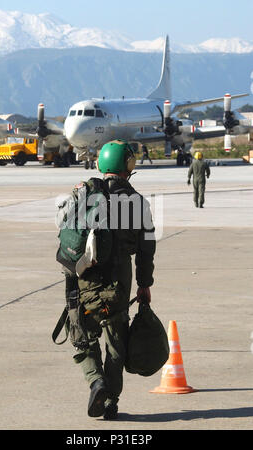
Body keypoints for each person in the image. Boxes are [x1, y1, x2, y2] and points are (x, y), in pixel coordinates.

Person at [61, 140, 156, 421]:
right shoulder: (138, 203)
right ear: (128, 165)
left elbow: (68, 237)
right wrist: (144, 283)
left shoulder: (84, 194)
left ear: (102, 164)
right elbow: (146, 250)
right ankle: (111, 401)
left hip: (86, 276)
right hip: (120, 278)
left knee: (84, 336)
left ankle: (95, 381)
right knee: (116, 341)